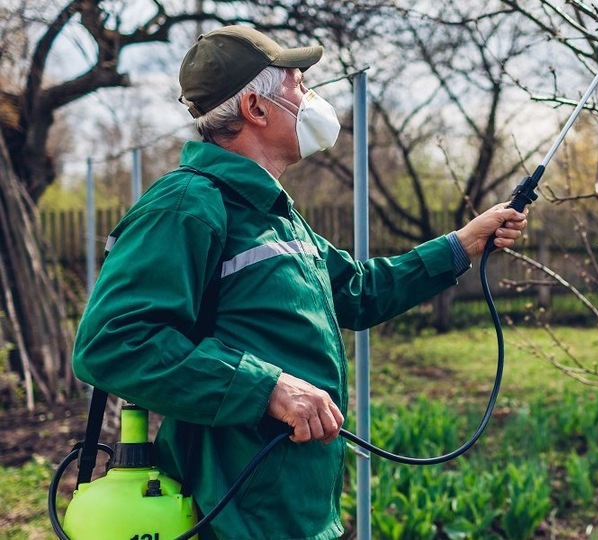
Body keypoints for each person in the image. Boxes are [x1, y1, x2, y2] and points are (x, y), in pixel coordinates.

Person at [71, 25, 527, 540]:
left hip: (297, 509)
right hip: (234, 514)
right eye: (299, 85)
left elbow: (354, 292)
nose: (312, 98)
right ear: (256, 108)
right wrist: (265, 387)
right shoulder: (187, 206)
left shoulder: (273, 214)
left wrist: (462, 245)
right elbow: (113, 344)